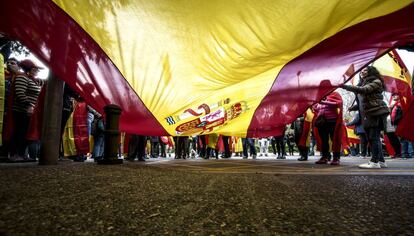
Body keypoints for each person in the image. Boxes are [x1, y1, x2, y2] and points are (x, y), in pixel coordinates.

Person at [340, 66, 390, 168]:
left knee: (374, 137)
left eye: (365, 70)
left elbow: (364, 90)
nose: (362, 72)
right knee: (373, 137)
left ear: (371, 71)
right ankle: (381, 161)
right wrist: (353, 107)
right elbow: (363, 102)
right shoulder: (363, 83)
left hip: (375, 112)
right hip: (368, 114)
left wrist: (344, 86)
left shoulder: (376, 81)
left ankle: (374, 162)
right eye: (361, 71)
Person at [9, 59, 43, 161]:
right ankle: (14, 155)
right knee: (19, 132)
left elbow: (46, 81)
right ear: (29, 69)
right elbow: (20, 94)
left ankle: (22, 154)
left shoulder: (34, 80)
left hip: (29, 111)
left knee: (26, 133)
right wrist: (29, 105)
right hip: (21, 110)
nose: (37, 70)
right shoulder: (22, 77)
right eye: (35, 68)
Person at [313, 91, 343, 165]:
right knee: (323, 140)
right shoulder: (319, 96)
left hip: (332, 121)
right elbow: (317, 108)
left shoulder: (335, 94)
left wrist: (323, 102)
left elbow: (338, 104)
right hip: (321, 122)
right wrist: (315, 106)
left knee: (334, 139)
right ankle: (325, 157)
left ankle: (336, 157)